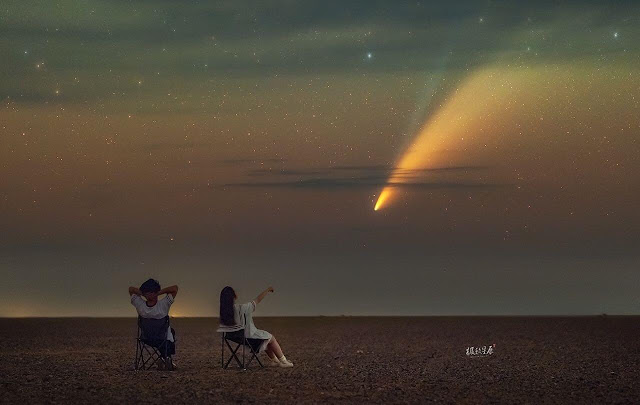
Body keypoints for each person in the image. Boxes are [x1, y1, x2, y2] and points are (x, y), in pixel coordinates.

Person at [219, 286, 293, 368]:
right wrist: (267, 290)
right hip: (248, 338)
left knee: (265, 339)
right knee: (271, 338)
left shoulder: (224, 312)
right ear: (233, 296)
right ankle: (284, 361)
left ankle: (275, 360)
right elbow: (257, 300)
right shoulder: (242, 308)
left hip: (235, 338)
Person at [129, 279, 179, 369]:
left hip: (146, 338)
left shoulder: (140, 305)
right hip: (161, 339)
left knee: (166, 334)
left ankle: (164, 358)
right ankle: (166, 358)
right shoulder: (164, 304)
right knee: (170, 332)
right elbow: (175, 288)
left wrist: (143, 293)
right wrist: (158, 292)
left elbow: (131, 289)